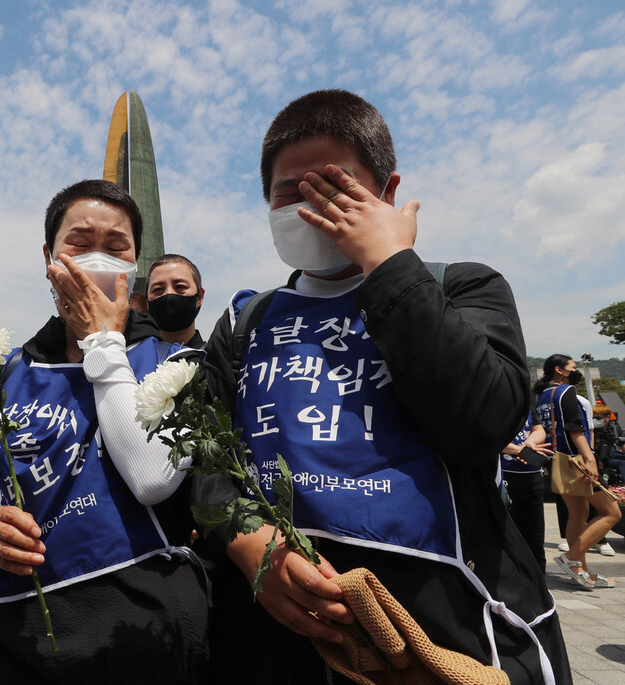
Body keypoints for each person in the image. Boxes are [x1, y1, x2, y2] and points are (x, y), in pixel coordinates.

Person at [198, 90, 571, 685]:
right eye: (288, 192)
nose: (311, 206)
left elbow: (484, 422)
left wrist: (391, 264)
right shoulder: (246, 321)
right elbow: (201, 453)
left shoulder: (462, 288)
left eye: (333, 185)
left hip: (444, 631)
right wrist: (249, 543)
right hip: (275, 636)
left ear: (388, 191)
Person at [0, 179, 209, 684]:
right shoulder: (2, 374)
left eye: (116, 246)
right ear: (49, 255)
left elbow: (153, 479)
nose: (98, 259)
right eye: (80, 243)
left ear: (135, 263)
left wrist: (103, 344)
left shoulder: (178, 362)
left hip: (139, 628)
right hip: (5, 633)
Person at [536, 354, 621, 589]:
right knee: (612, 513)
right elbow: (574, 428)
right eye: (572, 368)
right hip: (577, 461)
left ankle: (579, 570)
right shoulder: (567, 392)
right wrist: (590, 458)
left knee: (578, 515)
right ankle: (571, 557)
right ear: (559, 370)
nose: (575, 372)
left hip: (557, 461)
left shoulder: (543, 395)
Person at [499, 411, 553, 571]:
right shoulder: (490, 399)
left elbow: (538, 429)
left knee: (534, 538)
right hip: (502, 476)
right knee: (504, 536)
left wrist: (530, 443)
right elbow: (484, 437)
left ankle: (538, 585)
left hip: (531, 476)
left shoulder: (524, 401)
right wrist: (517, 450)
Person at [145, 253, 206, 347]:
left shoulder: (218, 360)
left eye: (180, 287)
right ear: (147, 303)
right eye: (158, 289)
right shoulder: (129, 360)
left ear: (200, 297)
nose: (169, 293)